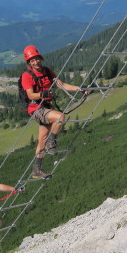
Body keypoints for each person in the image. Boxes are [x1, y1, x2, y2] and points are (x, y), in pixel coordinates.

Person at [20, 45, 88, 179]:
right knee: (60, 117)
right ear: (29, 63)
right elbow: (30, 95)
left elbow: (61, 85)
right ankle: (52, 143)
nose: (35, 62)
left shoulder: (47, 71)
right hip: (36, 109)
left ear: (40, 58)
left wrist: (79, 88)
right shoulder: (26, 76)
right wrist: (42, 94)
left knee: (41, 140)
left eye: (36, 59)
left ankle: (37, 169)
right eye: (32, 60)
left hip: (45, 108)